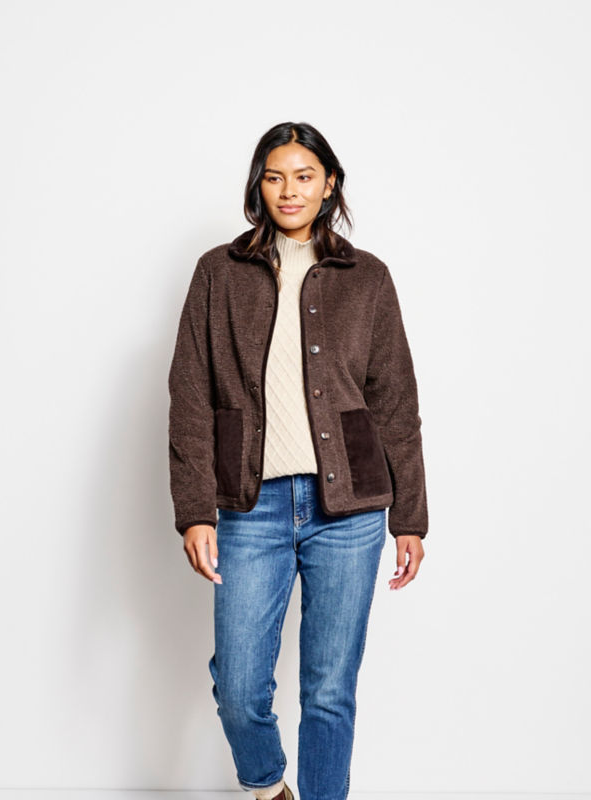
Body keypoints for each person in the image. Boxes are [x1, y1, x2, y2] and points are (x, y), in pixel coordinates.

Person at [168, 121, 428, 800]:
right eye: (275, 176)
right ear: (259, 184)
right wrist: (195, 510)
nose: (290, 190)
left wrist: (410, 518)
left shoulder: (367, 277)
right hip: (250, 505)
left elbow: (395, 402)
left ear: (329, 184)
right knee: (238, 685)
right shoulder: (218, 272)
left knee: (330, 690)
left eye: (305, 176)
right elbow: (190, 395)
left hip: (350, 511)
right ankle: (268, 786)